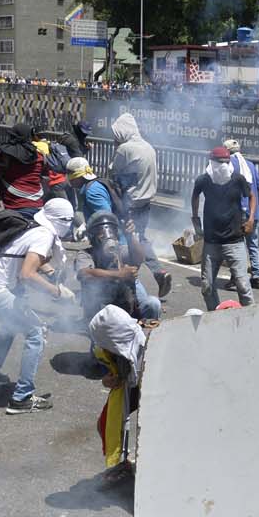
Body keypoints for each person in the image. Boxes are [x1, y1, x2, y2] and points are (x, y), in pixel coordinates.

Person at [0, 197, 76, 414]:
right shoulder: (44, 235)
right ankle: (22, 398)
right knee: (35, 332)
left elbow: (25, 257)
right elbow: (27, 273)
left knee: (11, 324)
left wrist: (50, 273)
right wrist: (57, 292)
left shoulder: (33, 227)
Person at [109, 112, 172, 298]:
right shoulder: (148, 147)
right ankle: (158, 273)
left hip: (129, 203)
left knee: (124, 242)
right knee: (140, 240)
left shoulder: (125, 149)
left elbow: (113, 173)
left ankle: (127, 285)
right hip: (146, 202)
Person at [89, 303, 152, 479]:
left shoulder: (151, 340)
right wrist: (107, 381)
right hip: (131, 387)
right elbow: (113, 370)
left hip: (155, 390)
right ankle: (121, 463)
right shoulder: (118, 347)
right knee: (106, 422)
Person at [191, 145, 255, 311]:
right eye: (219, 162)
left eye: (225, 162)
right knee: (207, 285)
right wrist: (195, 219)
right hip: (212, 242)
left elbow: (252, 195)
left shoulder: (237, 179)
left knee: (243, 285)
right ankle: (215, 315)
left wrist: (251, 219)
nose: (222, 166)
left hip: (234, 241)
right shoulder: (204, 180)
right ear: (212, 163)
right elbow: (195, 196)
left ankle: (250, 317)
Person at [72, 211, 161, 328]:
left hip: (126, 307)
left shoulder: (120, 251)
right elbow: (84, 273)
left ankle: (145, 334)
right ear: (93, 236)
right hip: (101, 310)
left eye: (111, 231)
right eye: (101, 233)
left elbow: (138, 259)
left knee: (153, 304)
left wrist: (130, 235)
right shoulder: (85, 254)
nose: (107, 236)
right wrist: (120, 274)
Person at [224, 138, 259, 290]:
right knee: (253, 244)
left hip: (237, 213)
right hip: (253, 213)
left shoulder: (228, 165)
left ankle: (236, 278)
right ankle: (257, 277)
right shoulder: (251, 165)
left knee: (237, 245)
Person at [0, 121, 48, 217]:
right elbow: (44, 176)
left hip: (13, 205)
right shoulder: (39, 155)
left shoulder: (4, 153)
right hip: (38, 205)